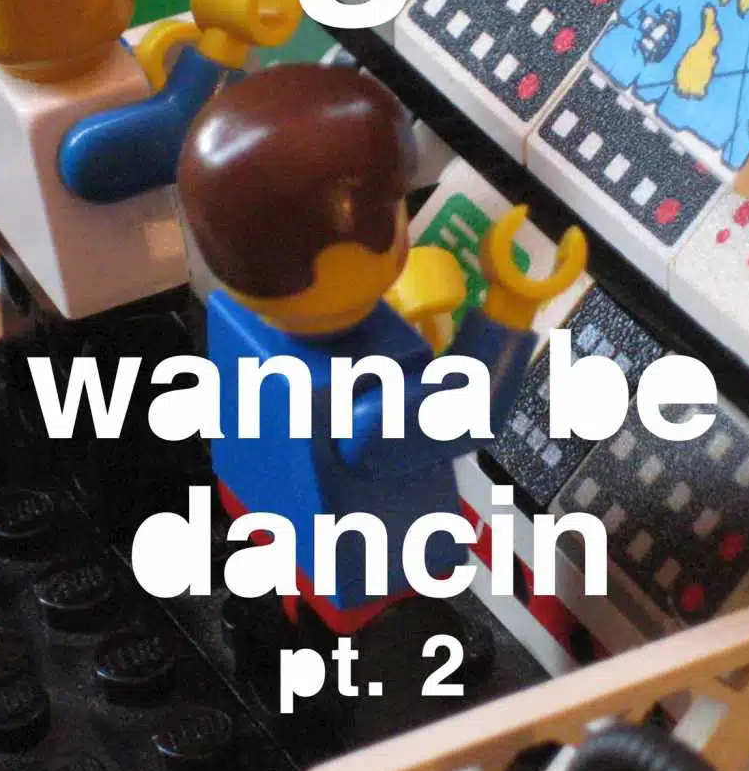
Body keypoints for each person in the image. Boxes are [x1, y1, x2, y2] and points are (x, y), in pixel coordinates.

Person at [177, 62, 586, 633]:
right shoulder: (359, 406)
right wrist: (510, 303)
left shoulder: (236, 321)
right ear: (342, 260)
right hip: (365, 582)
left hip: (258, 512)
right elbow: (468, 413)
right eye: (394, 208)